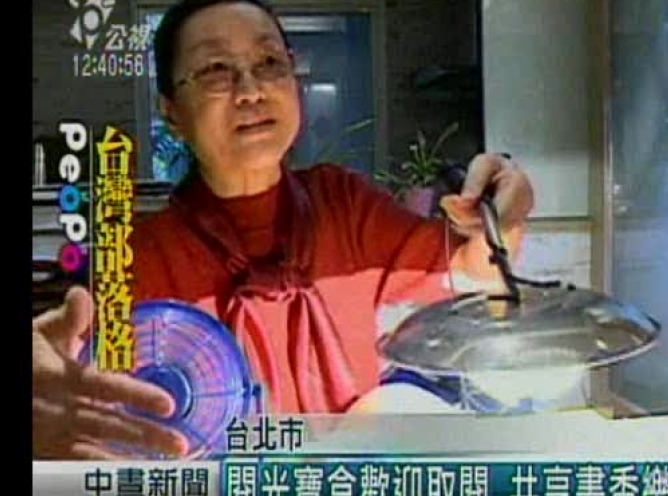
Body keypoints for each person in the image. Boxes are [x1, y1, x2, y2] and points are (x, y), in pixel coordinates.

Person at [32, 0, 534, 459]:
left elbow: (473, 269)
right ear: (171, 112)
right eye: (215, 70)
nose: (251, 92)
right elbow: (77, 400)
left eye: (270, 62)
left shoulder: (343, 205)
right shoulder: (136, 257)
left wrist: (502, 213)